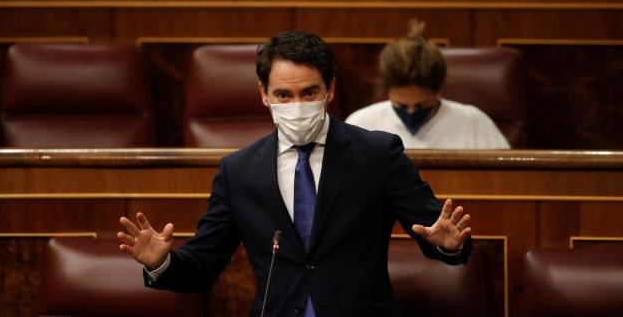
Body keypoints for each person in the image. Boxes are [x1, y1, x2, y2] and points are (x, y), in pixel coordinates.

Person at [118, 31, 473, 316]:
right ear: (263, 94)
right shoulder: (238, 171)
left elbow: (432, 230)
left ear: (330, 89)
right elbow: (203, 264)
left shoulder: (377, 154)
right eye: (283, 95)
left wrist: (449, 246)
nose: (296, 105)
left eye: (309, 93)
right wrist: (162, 263)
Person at [345, 20, 510, 149]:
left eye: (421, 105)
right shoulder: (360, 125)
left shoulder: (475, 123)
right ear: (387, 92)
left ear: (437, 90)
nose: (410, 112)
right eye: (400, 106)